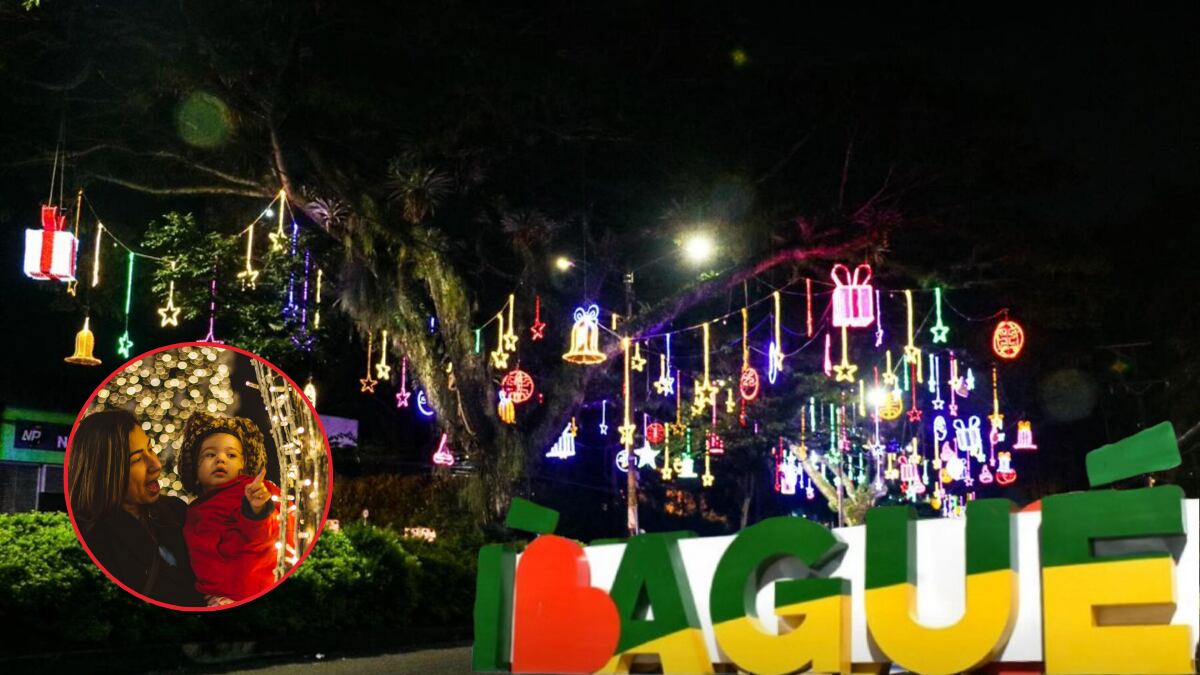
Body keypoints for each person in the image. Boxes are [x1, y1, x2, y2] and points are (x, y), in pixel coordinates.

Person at [67, 409, 205, 607]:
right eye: (137, 459)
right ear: (106, 471)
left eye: (151, 449)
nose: (156, 464)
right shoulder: (90, 538)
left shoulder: (176, 512)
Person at [178, 412, 280, 606]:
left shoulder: (250, 492)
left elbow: (263, 537)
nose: (220, 459)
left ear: (243, 464)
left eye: (231, 455)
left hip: (250, 590)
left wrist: (257, 510)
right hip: (217, 596)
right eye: (210, 454)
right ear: (195, 468)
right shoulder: (193, 511)